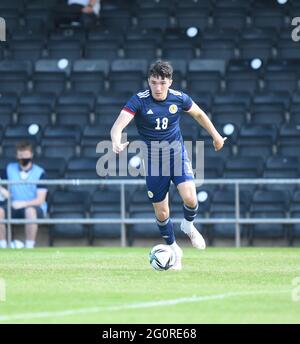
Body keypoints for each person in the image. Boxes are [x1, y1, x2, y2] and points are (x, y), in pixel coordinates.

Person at [110, 60, 226, 270]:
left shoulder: (179, 98)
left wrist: (216, 136)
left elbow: (199, 114)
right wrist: (116, 141)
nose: (158, 87)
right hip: (154, 162)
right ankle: (174, 248)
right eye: (154, 82)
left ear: (170, 82)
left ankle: (188, 225)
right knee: (162, 213)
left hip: (177, 156)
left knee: (190, 198)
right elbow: (119, 124)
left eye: (162, 83)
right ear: (149, 81)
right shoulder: (139, 100)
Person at [0, 141, 48, 249]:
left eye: (26, 155)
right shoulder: (9, 168)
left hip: (34, 207)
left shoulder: (40, 172)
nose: (23, 158)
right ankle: (2, 246)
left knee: (29, 211)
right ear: (16, 156)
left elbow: (40, 200)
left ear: (31, 155)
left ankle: (29, 247)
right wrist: (2, 190)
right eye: (21, 155)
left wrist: (24, 203)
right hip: (13, 206)